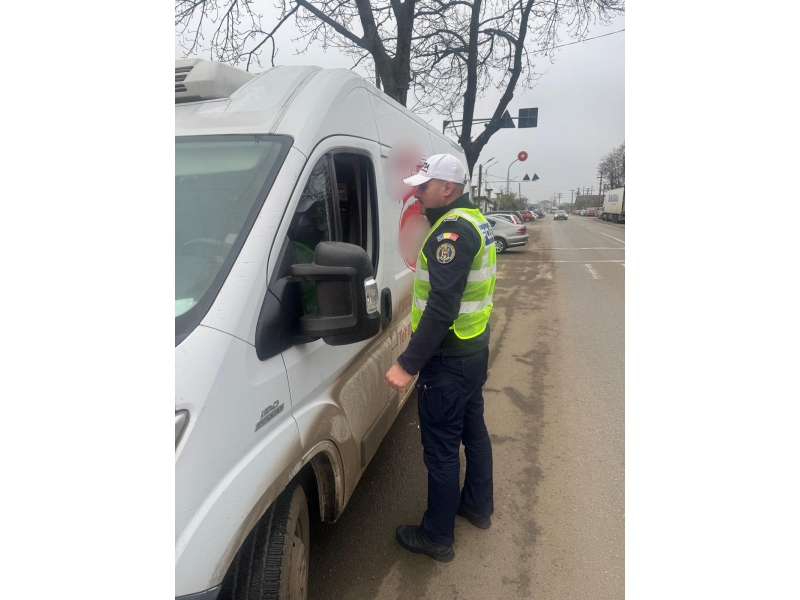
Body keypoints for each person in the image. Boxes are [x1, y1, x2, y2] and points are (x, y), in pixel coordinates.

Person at [384, 153, 497, 562]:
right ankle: (478, 507)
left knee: (442, 450)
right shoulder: (475, 221)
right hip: (472, 350)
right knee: (473, 432)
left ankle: (436, 538)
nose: (417, 193)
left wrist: (407, 364)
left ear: (447, 188)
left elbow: (442, 306)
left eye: (424, 186)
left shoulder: (451, 233)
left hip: (449, 360)